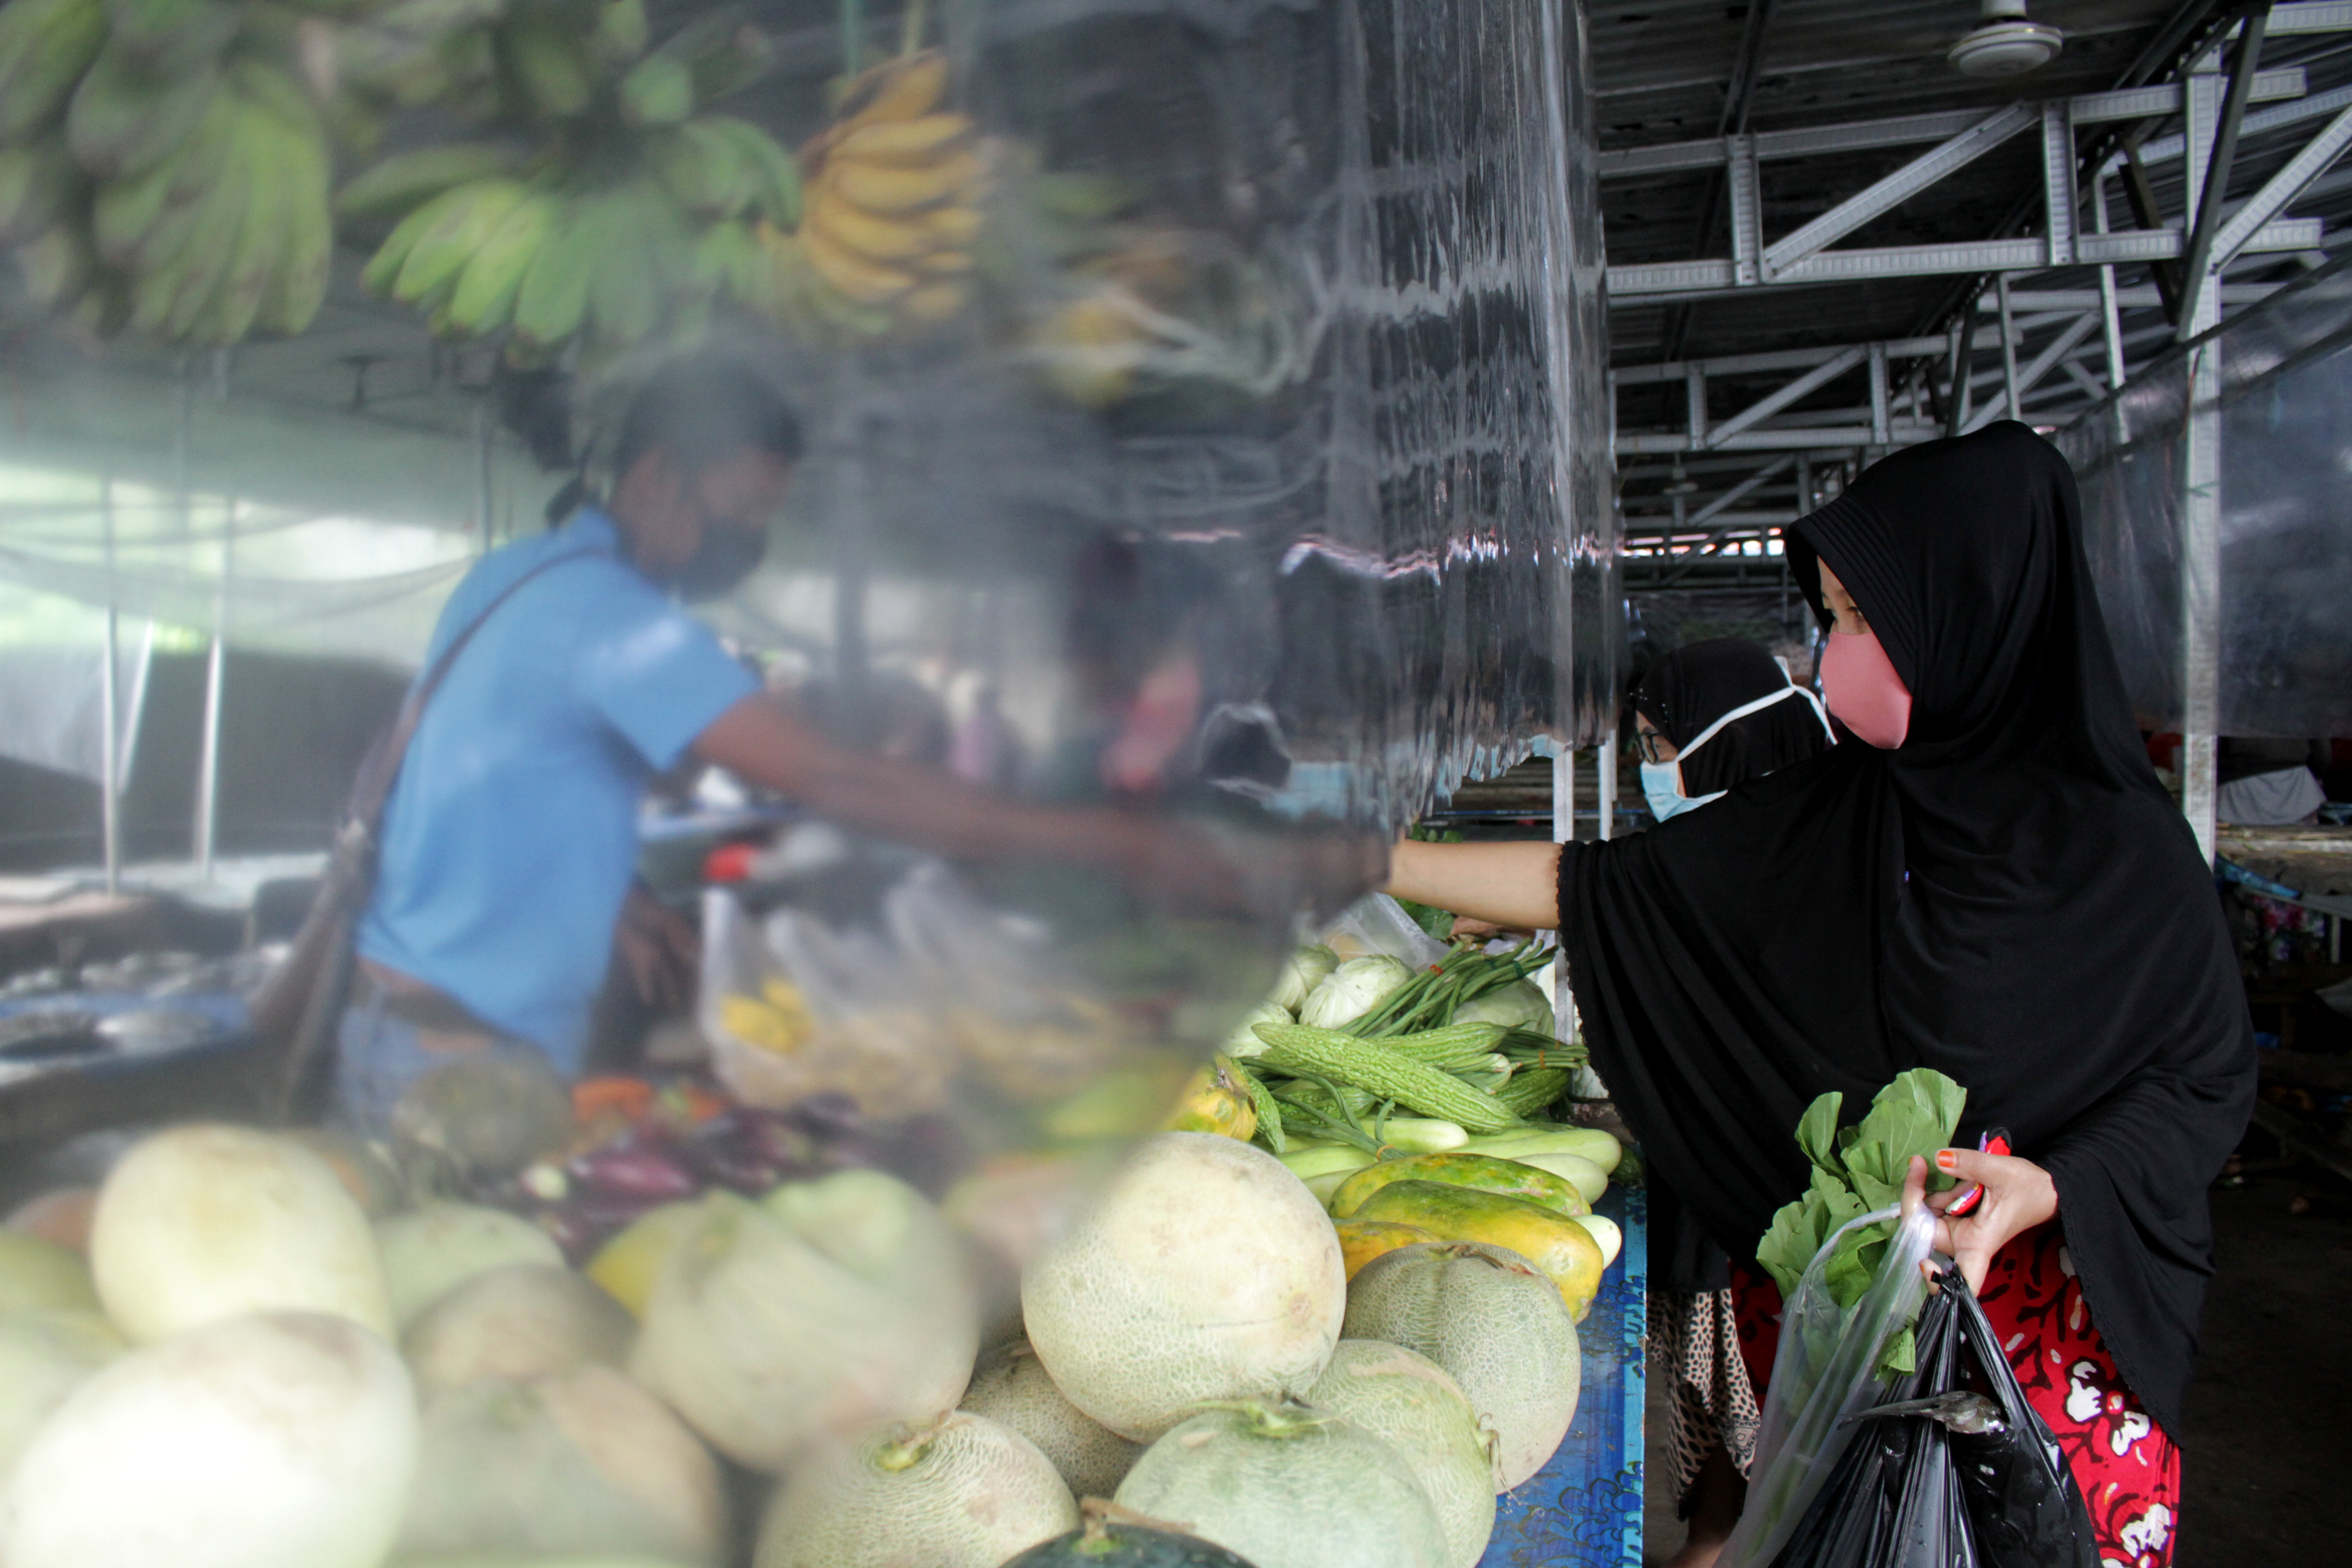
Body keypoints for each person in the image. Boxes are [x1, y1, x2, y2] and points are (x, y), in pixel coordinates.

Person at [1387, 423, 2253, 1568]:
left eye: (1858, 615)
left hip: (2032, 1362)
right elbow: (1606, 885)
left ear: (1973, 608)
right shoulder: (1844, 808)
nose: (1834, 649)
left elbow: (2199, 1084)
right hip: (1833, 1333)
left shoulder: (2126, 859)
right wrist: (1364, 858)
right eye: (1832, 613)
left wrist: (2049, 1183)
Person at [341, 356, 1304, 1129]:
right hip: (461, 1059)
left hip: (399, 1021)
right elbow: (836, 777)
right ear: (655, 476)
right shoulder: (616, 617)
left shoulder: (515, 577)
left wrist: (624, 900)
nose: (750, 540)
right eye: (744, 512)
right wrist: (1094, 839)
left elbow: (498, 780)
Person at [1624, 638, 1835, 1564]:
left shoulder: (1798, 861)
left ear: (1721, 736)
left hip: (1761, 1220)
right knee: (1725, 1456)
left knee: (1750, 1465)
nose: (1650, 772)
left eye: (1660, 746)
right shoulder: (1741, 843)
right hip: (1736, 1208)